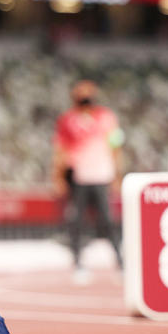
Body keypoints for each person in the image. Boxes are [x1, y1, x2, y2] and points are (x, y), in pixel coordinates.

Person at [52, 79, 124, 283]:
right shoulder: (67, 120)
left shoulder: (107, 118)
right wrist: (58, 177)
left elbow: (115, 146)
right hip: (80, 177)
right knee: (76, 221)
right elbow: (60, 151)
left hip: (102, 175)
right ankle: (78, 263)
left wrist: (117, 174)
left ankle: (120, 262)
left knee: (108, 220)